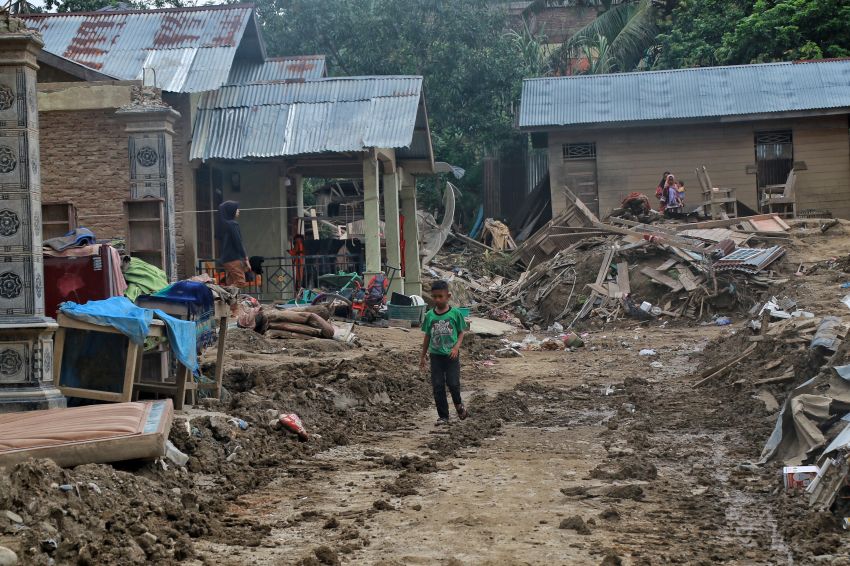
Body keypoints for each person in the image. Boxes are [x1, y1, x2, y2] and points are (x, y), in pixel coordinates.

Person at [420, 280, 469, 425]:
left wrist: (456, 348)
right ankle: (443, 416)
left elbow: (461, 332)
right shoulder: (430, 316)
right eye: (434, 297)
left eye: (440, 296)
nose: (437, 300)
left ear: (448, 296)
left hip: (451, 356)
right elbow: (427, 336)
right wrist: (422, 356)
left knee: (453, 384)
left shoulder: (455, 313)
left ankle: (459, 405)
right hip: (435, 356)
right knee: (438, 386)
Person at [216, 201, 249, 288]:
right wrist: (245, 258)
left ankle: (231, 301)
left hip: (226, 259)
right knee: (240, 282)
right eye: (236, 209)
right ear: (231, 211)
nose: (238, 210)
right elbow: (238, 242)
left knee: (231, 282)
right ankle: (221, 292)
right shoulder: (233, 224)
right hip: (233, 258)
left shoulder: (224, 225)